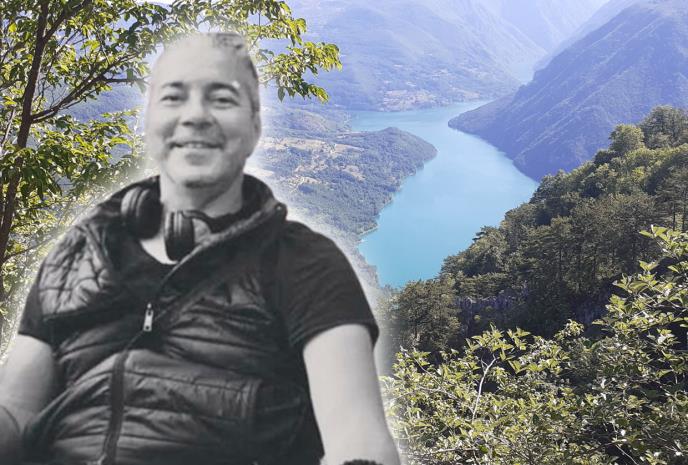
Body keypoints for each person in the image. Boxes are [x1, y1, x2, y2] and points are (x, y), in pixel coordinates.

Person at [0, 32, 400, 465]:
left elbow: (358, 437)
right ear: (149, 121)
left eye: (222, 99)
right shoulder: (80, 252)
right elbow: (16, 412)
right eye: (173, 98)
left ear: (255, 126)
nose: (195, 115)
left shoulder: (305, 263)